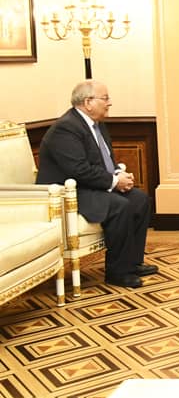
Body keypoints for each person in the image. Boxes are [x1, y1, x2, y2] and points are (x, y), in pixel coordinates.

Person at [37, 80, 156, 289]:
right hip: (69, 193)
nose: (109, 103)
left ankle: (132, 263)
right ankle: (118, 272)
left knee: (140, 199)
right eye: (105, 98)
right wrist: (114, 182)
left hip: (90, 185)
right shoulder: (66, 129)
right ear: (88, 102)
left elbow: (103, 160)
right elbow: (79, 170)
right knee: (120, 206)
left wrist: (119, 174)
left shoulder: (96, 124)